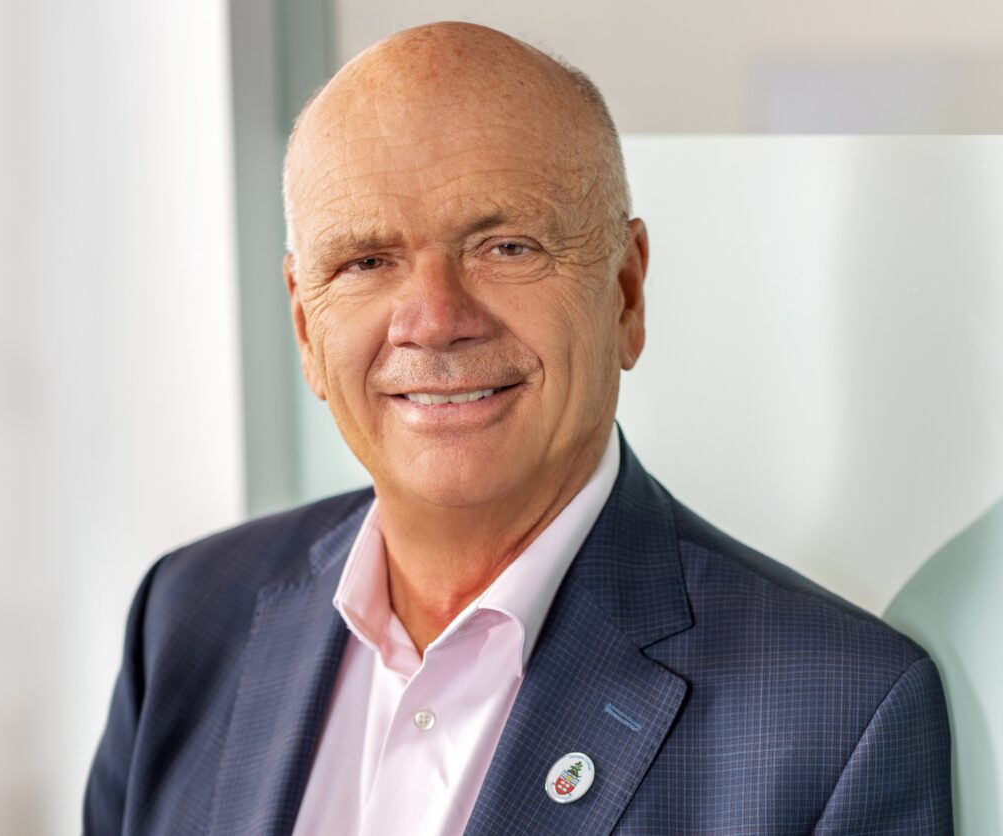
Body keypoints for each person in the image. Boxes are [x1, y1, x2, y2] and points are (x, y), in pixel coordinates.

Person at [84, 22, 952, 835]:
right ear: (307, 331)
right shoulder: (187, 615)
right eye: (367, 261)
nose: (433, 318)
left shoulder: (835, 718)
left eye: (506, 246)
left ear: (624, 293)